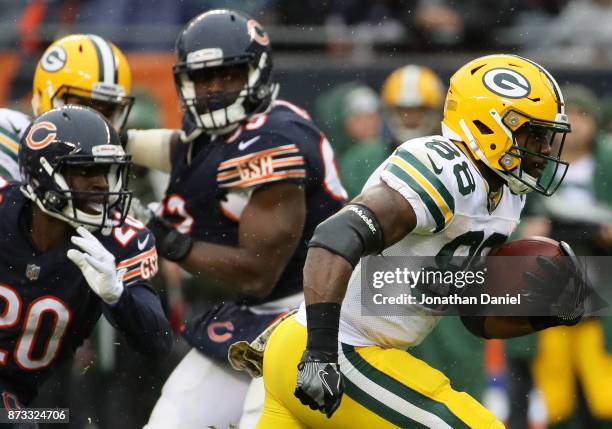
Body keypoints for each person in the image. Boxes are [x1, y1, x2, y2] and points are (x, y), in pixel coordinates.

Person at [254, 54, 588, 428]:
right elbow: (333, 236)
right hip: (334, 349)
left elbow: (474, 316)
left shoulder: (508, 193)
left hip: (326, 350)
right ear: (491, 126)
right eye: (535, 134)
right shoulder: (443, 168)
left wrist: (544, 311)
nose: (544, 150)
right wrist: (319, 353)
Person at [122, 9, 347, 428]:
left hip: (310, 313)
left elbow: (257, 273)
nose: (213, 90)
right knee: (171, 420)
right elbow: (178, 152)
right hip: (256, 317)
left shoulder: (277, 138)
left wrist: (167, 239)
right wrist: (114, 142)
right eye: (203, 78)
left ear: (257, 72)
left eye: (227, 76)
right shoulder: (217, 137)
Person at [0, 105, 171, 412]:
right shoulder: (3, 211)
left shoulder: (120, 239)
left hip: (37, 396)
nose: (102, 184)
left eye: (106, 170)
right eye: (85, 170)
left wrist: (119, 296)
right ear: (42, 175)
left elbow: (158, 341)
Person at [0, 33, 134, 181]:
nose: (95, 122)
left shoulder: (113, 165)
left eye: (107, 112)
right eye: (83, 107)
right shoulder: (8, 138)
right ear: (46, 96)